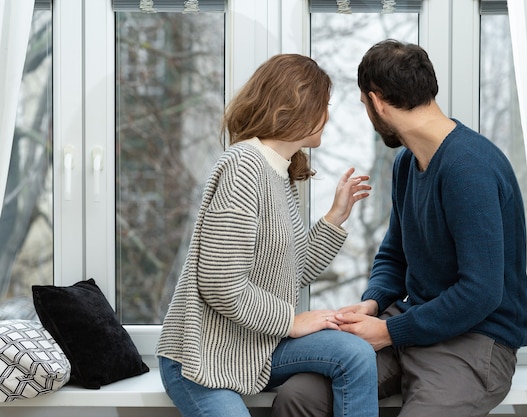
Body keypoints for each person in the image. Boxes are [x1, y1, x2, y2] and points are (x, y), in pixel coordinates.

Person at [272, 39, 527, 417]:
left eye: (364, 106)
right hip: (410, 324)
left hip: (475, 339)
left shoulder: (468, 168)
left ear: (376, 102)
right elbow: (395, 254)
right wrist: (374, 302)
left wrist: (390, 332)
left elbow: (481, 292)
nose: (368, 114)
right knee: (300, 396)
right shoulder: (407, 164)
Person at [155, 54, 379, 417]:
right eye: (323, 104)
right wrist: (290, 321)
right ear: (298, 104)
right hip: (202, 359)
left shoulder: (281, 174)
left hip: (255, 346)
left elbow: (294, 272)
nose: (328, 115)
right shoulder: (245, 166)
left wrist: (336, 217)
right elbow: (219, 281)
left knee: (355, 354)